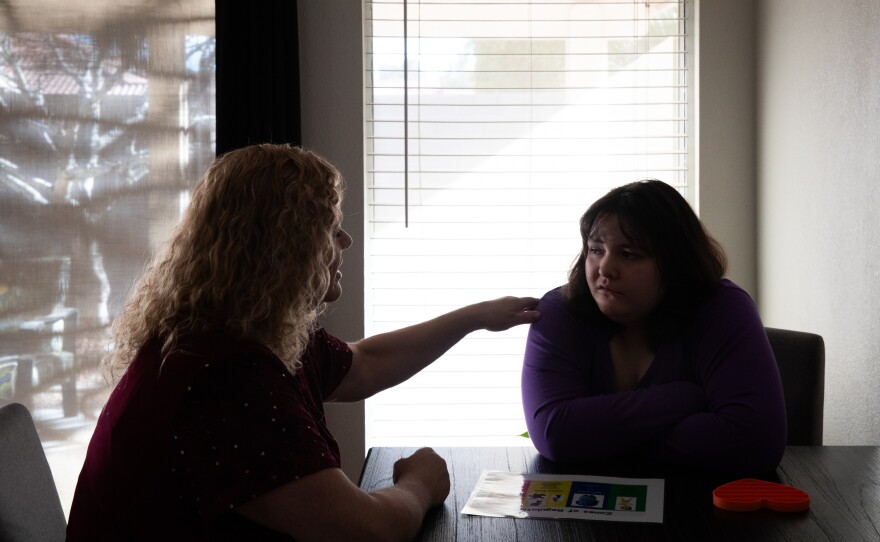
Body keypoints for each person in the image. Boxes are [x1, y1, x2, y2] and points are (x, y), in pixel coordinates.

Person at [66, 144, 540, 541]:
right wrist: (419, 484)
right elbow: (367, 530)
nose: (346, 240)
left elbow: (365, 363)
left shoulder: (239, 329)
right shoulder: (226, 378)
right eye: (330, 229)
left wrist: (474, 318)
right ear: (286, 247)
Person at [521, 179, 786, 477]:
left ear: (674, 263)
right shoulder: (560, 311)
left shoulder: (723, 308)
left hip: (703, 500)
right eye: (595, 249)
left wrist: (601, 437)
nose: (605, 268)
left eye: (628, 254)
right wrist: (686, 397)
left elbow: (754, 444)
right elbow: (555, 434)